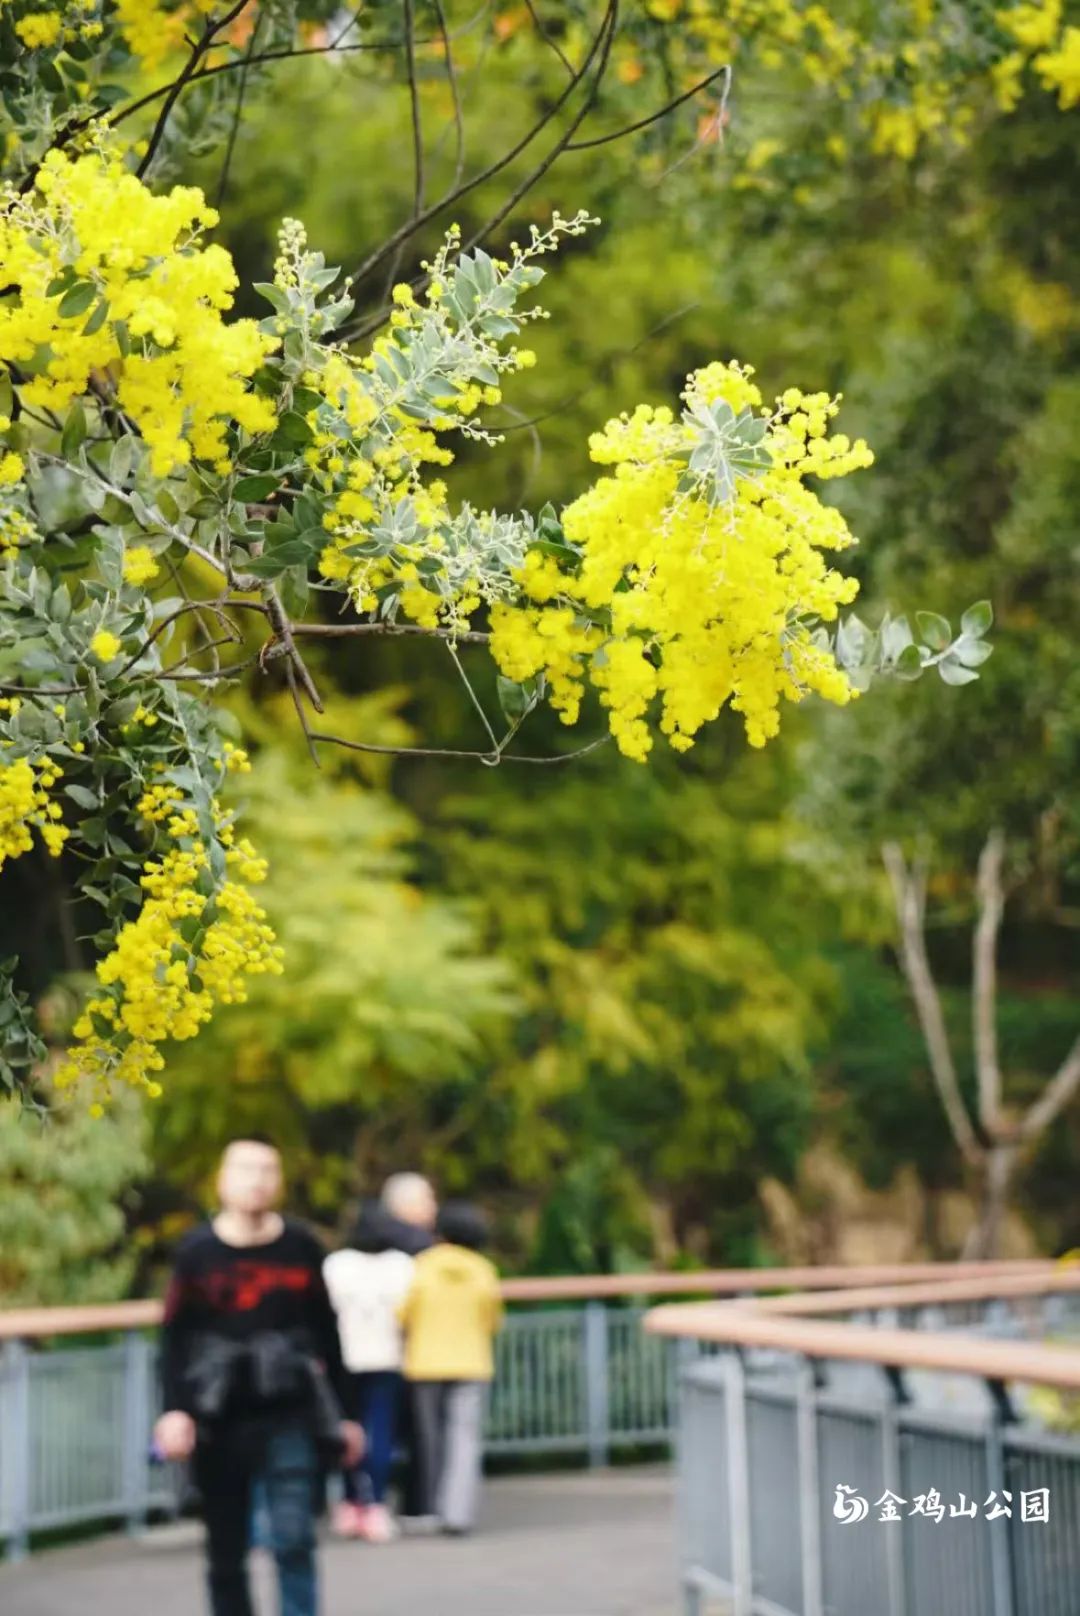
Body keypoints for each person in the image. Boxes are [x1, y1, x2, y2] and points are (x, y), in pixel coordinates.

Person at [153, 1134, 363, 1616]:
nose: (258, 1181)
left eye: (268, 1170)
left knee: (294, 1538)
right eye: (246, 1169)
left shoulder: (301, 1247)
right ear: (223, 1181)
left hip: (289, 1411)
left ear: (280, 1181)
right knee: (225, 1551)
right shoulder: (196, 1253)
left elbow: (327, 1334)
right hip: (218, 1415)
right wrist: (174, 1410)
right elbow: (175, 1338)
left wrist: (347, 1415)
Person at [400, 1200, 503, 1536]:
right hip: (471, 1360)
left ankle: (429, 1507)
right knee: (465, 1439)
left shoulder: (422, 1265)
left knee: (430, 1439)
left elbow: (403, 1311)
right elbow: (492, 1318)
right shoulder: (482, 1268)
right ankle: (458, 1513)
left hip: (426, 1362)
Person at [323, 1200, 417, 1543]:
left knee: (348, 1435)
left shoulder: (336, 1265)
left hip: (345, 1360)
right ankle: (375, 1504)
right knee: (382, 1435)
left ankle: (350, 1504)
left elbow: (325, 1313)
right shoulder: (402, 1266)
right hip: (387, 1357)